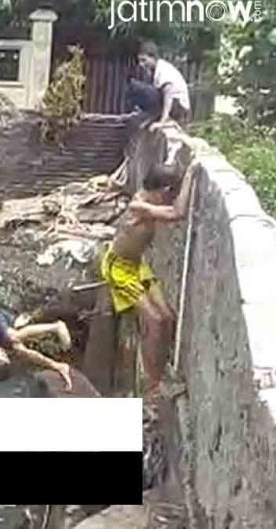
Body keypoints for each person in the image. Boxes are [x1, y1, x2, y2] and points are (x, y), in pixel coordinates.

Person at [99, 161, 200, 397]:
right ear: (163, 191)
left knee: (167, 317)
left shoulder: (148, 199)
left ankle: (161, 365)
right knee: (154, 320)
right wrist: (190, 177)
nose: (171, 198)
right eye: (170, 193)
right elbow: (177, 213)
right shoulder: (138, 205)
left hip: (137, 265)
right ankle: (153, 384)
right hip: (119, 269)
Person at [0, 276, 75, 390]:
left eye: (3, 356)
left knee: (13, 338)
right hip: (8, 324)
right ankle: (58, 365)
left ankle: (56, 326)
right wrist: (55, 366)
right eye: (6, 357)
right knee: (20, 350)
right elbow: (30, 355)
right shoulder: (1, 353)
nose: (4, 355)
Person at [136, 41, 192, 127]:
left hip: (179, 109)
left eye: (144, 60)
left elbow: (168, 95)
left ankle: (168, 120)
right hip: (172, 107)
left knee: (147, 91)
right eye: (139, 61)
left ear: (153, 57)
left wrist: (163, 121)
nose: (141, 64)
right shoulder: (154, 71)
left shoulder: (163, 70)